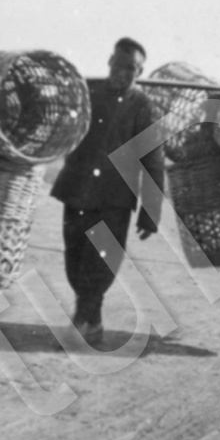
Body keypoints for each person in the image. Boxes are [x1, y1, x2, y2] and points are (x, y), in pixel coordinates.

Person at [50, 37, 164, 345]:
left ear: (139, 72)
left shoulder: (142, 106)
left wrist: (150, 213)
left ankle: (81, 322)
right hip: (77, 191)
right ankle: (93, 321)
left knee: (100, 263)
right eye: (118, 64)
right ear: (109, 62)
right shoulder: (88, 95)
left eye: (130, 68)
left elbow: (153, 160)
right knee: (75, 260)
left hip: (113, 200)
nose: (121, 72)